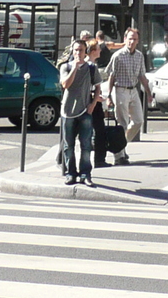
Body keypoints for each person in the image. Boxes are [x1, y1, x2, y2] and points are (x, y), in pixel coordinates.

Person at [104, 26, 149, 165]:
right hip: (120, 90)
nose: (132, 42)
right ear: (125, 39)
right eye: (130, 39)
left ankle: (121, 145)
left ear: (138, 41)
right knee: (122, 123)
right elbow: (111, 76)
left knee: (138, 121)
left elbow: (142, 76)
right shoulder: (117, 56)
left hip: (133, 90)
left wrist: (148, 92)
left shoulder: (140, 56)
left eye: (134, 39)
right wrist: (109, 96)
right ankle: (119, 156)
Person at [58, 38, 100, 185]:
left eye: (81, 50)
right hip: (68, 112)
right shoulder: (66, 67)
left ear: (85, 52)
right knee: (68, 145)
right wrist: (75, 68)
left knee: (86, 145)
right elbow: (65, 84)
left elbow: (98, 87)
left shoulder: (91, 68)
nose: (78, 53)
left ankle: (85, 174)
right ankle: (71, 173)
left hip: (84, 111)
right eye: (76, 50)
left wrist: (93, 104)